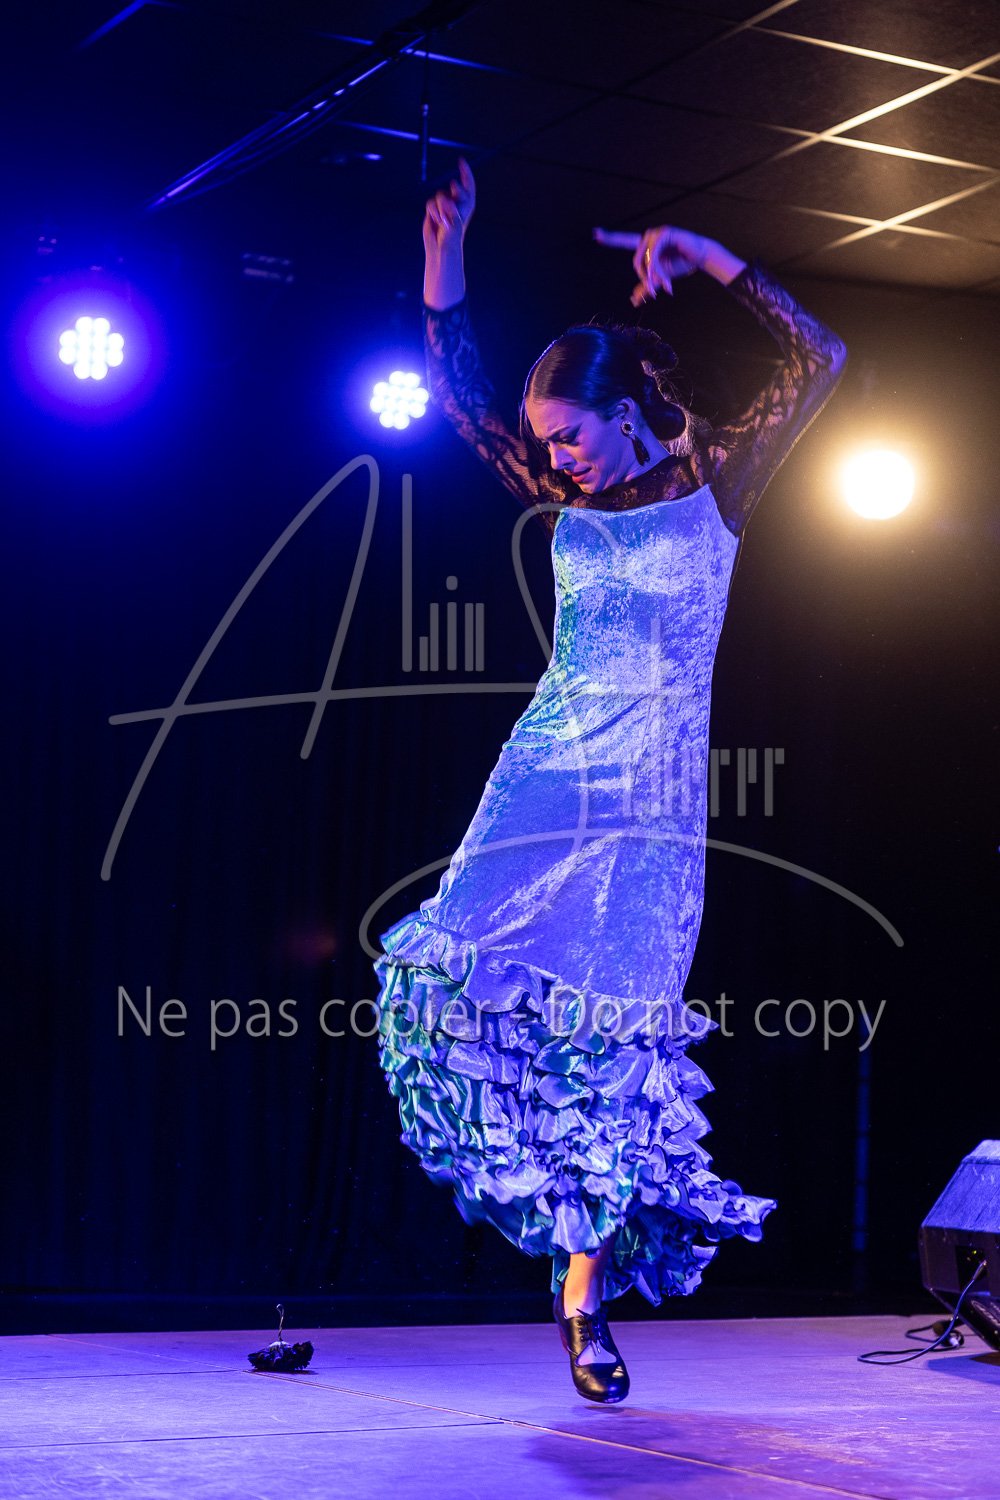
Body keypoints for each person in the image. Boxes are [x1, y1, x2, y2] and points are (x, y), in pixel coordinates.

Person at [373, 158, 848, 1404]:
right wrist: (444, 252)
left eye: (571, 435)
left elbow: (822, 359)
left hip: (652, 807)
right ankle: (538, 1212)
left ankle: (582, 1301)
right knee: (452, 976)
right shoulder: (553, 487)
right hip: (546, 770)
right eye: (545, 444)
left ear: (628, 409)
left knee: (613, 1039)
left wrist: (705, 253)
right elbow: (457, 388)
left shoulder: (719, 481)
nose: (558, 458)